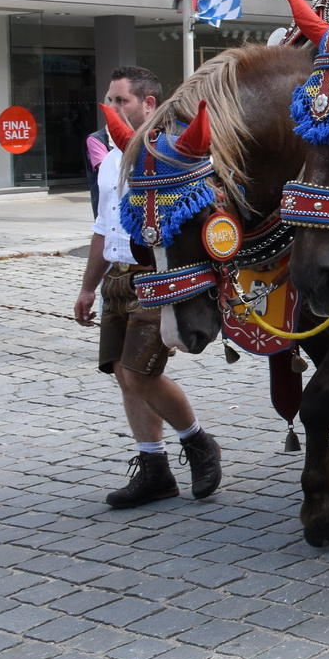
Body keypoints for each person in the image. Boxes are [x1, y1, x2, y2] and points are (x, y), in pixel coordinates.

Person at [72, 66, 223, 508]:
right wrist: (87, 288)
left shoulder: (177, 152)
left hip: (156, 274)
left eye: (122, 101)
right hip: (116, 278)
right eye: (110, 100)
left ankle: (198, 443)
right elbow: (103, 228)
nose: (113, 109)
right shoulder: (111, 155)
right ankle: (154, 467)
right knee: (123, 374)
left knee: (141, 372)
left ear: (149, 104)